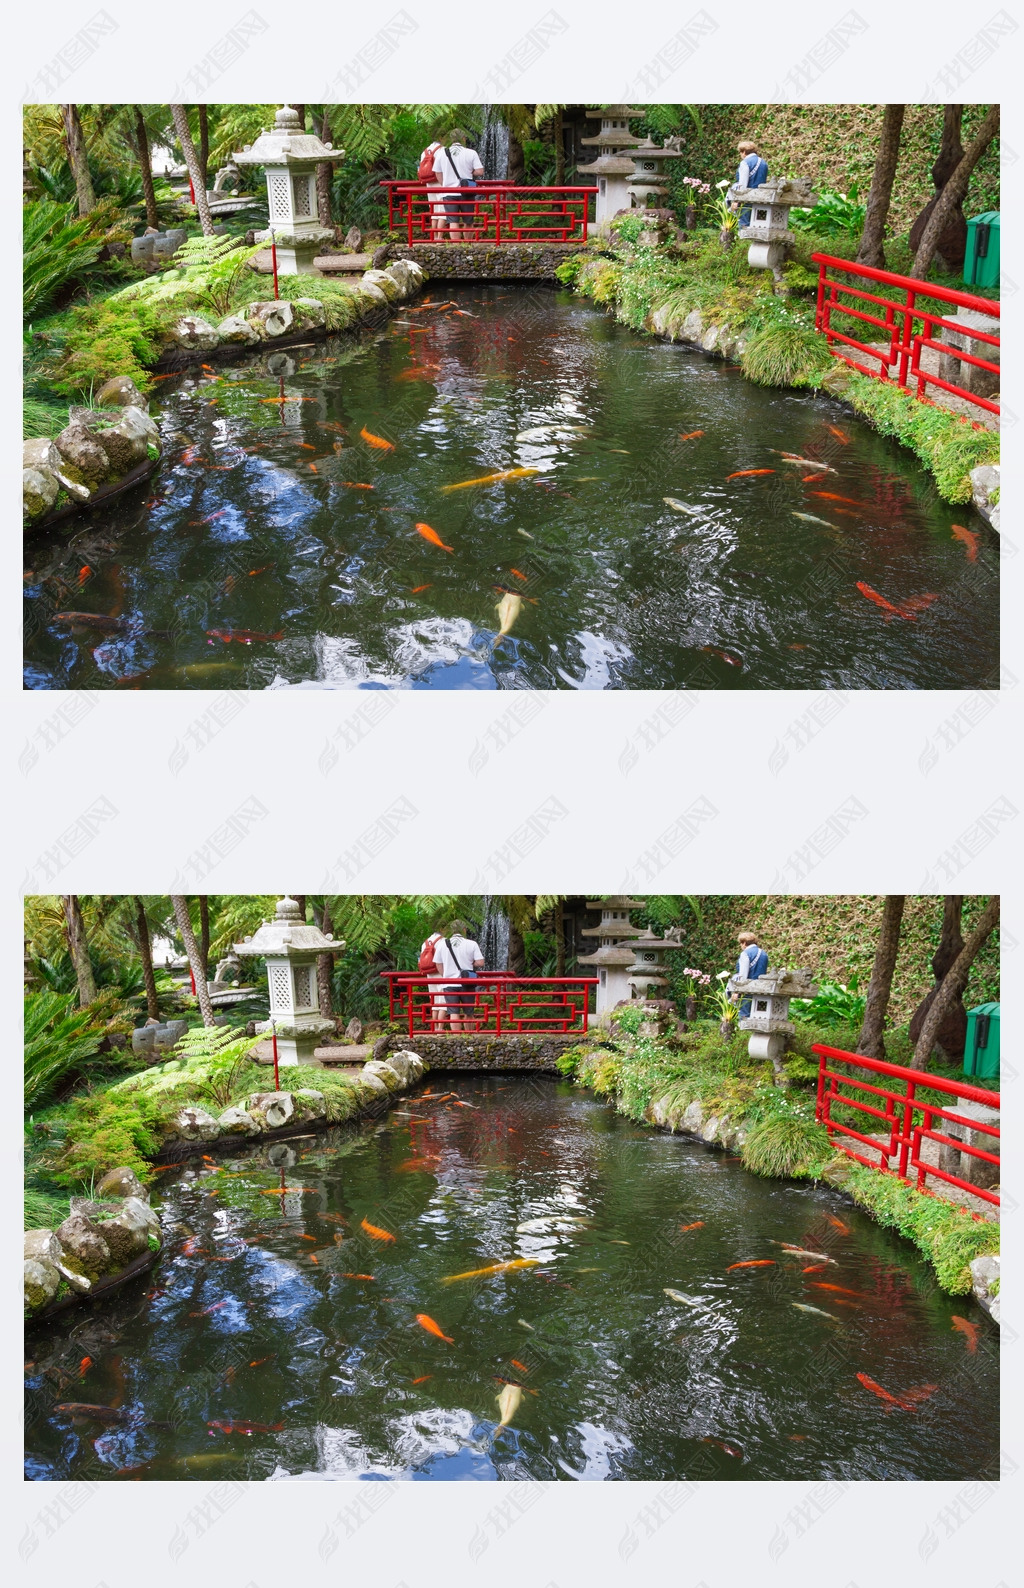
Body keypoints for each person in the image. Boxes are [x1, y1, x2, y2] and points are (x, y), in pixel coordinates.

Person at [432, 130, 484, 242]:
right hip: (467, 192)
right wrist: (470, 173)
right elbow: (480, 171)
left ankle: (456, 245)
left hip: (449, 192)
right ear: (464, 139)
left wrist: (444, 184)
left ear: (451, 139)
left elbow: (437, 173)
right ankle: (467, 244)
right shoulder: (471, 153)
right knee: (468, 221)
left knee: (453, 221)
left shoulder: (442, 153)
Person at [433, 919, 485, 1032]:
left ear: (451, 931)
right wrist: (472, 963)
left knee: (453, 1012)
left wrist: (445, 975)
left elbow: (438, 964)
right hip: (467, 983)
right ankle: (469, 1035)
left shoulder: (442, 944)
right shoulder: (472, 944)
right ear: (464, 930)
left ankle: (457, 1038)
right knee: (469, 1012)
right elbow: (480, 962)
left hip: (449, 983)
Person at [733, 929, 769, 1017]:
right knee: (758, 1016)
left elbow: (743, 975)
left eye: (741, 943)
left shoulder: (745, 954)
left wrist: (737, 991)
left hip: (747, 989)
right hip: (760, 989)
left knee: (744, 1015)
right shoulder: (764, 954)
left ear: (744, 943)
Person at [733, 139, 769, 227]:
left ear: (744, 152)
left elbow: (743, 184)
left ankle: (743, 239)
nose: (740, 155)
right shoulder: (763, 163)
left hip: (747, 198)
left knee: (744, 223)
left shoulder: (745, 163)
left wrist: (736, 200)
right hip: (760, 197)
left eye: (740, 152)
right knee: (757, 224)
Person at [418, 138, 447, 241]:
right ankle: (440, 238)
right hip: (440, 182)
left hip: (429, 183)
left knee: (434, 212)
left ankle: (434, 237)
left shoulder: (425, 151)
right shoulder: (442, 150)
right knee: (442, 211)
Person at [418, 928, 448, 1030]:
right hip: (441, 973)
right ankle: (440, 1028)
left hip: (429, 974)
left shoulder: (425, 942)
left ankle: (434, 1027)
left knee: (434, 1002)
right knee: (443, 1002)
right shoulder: (443, 941)